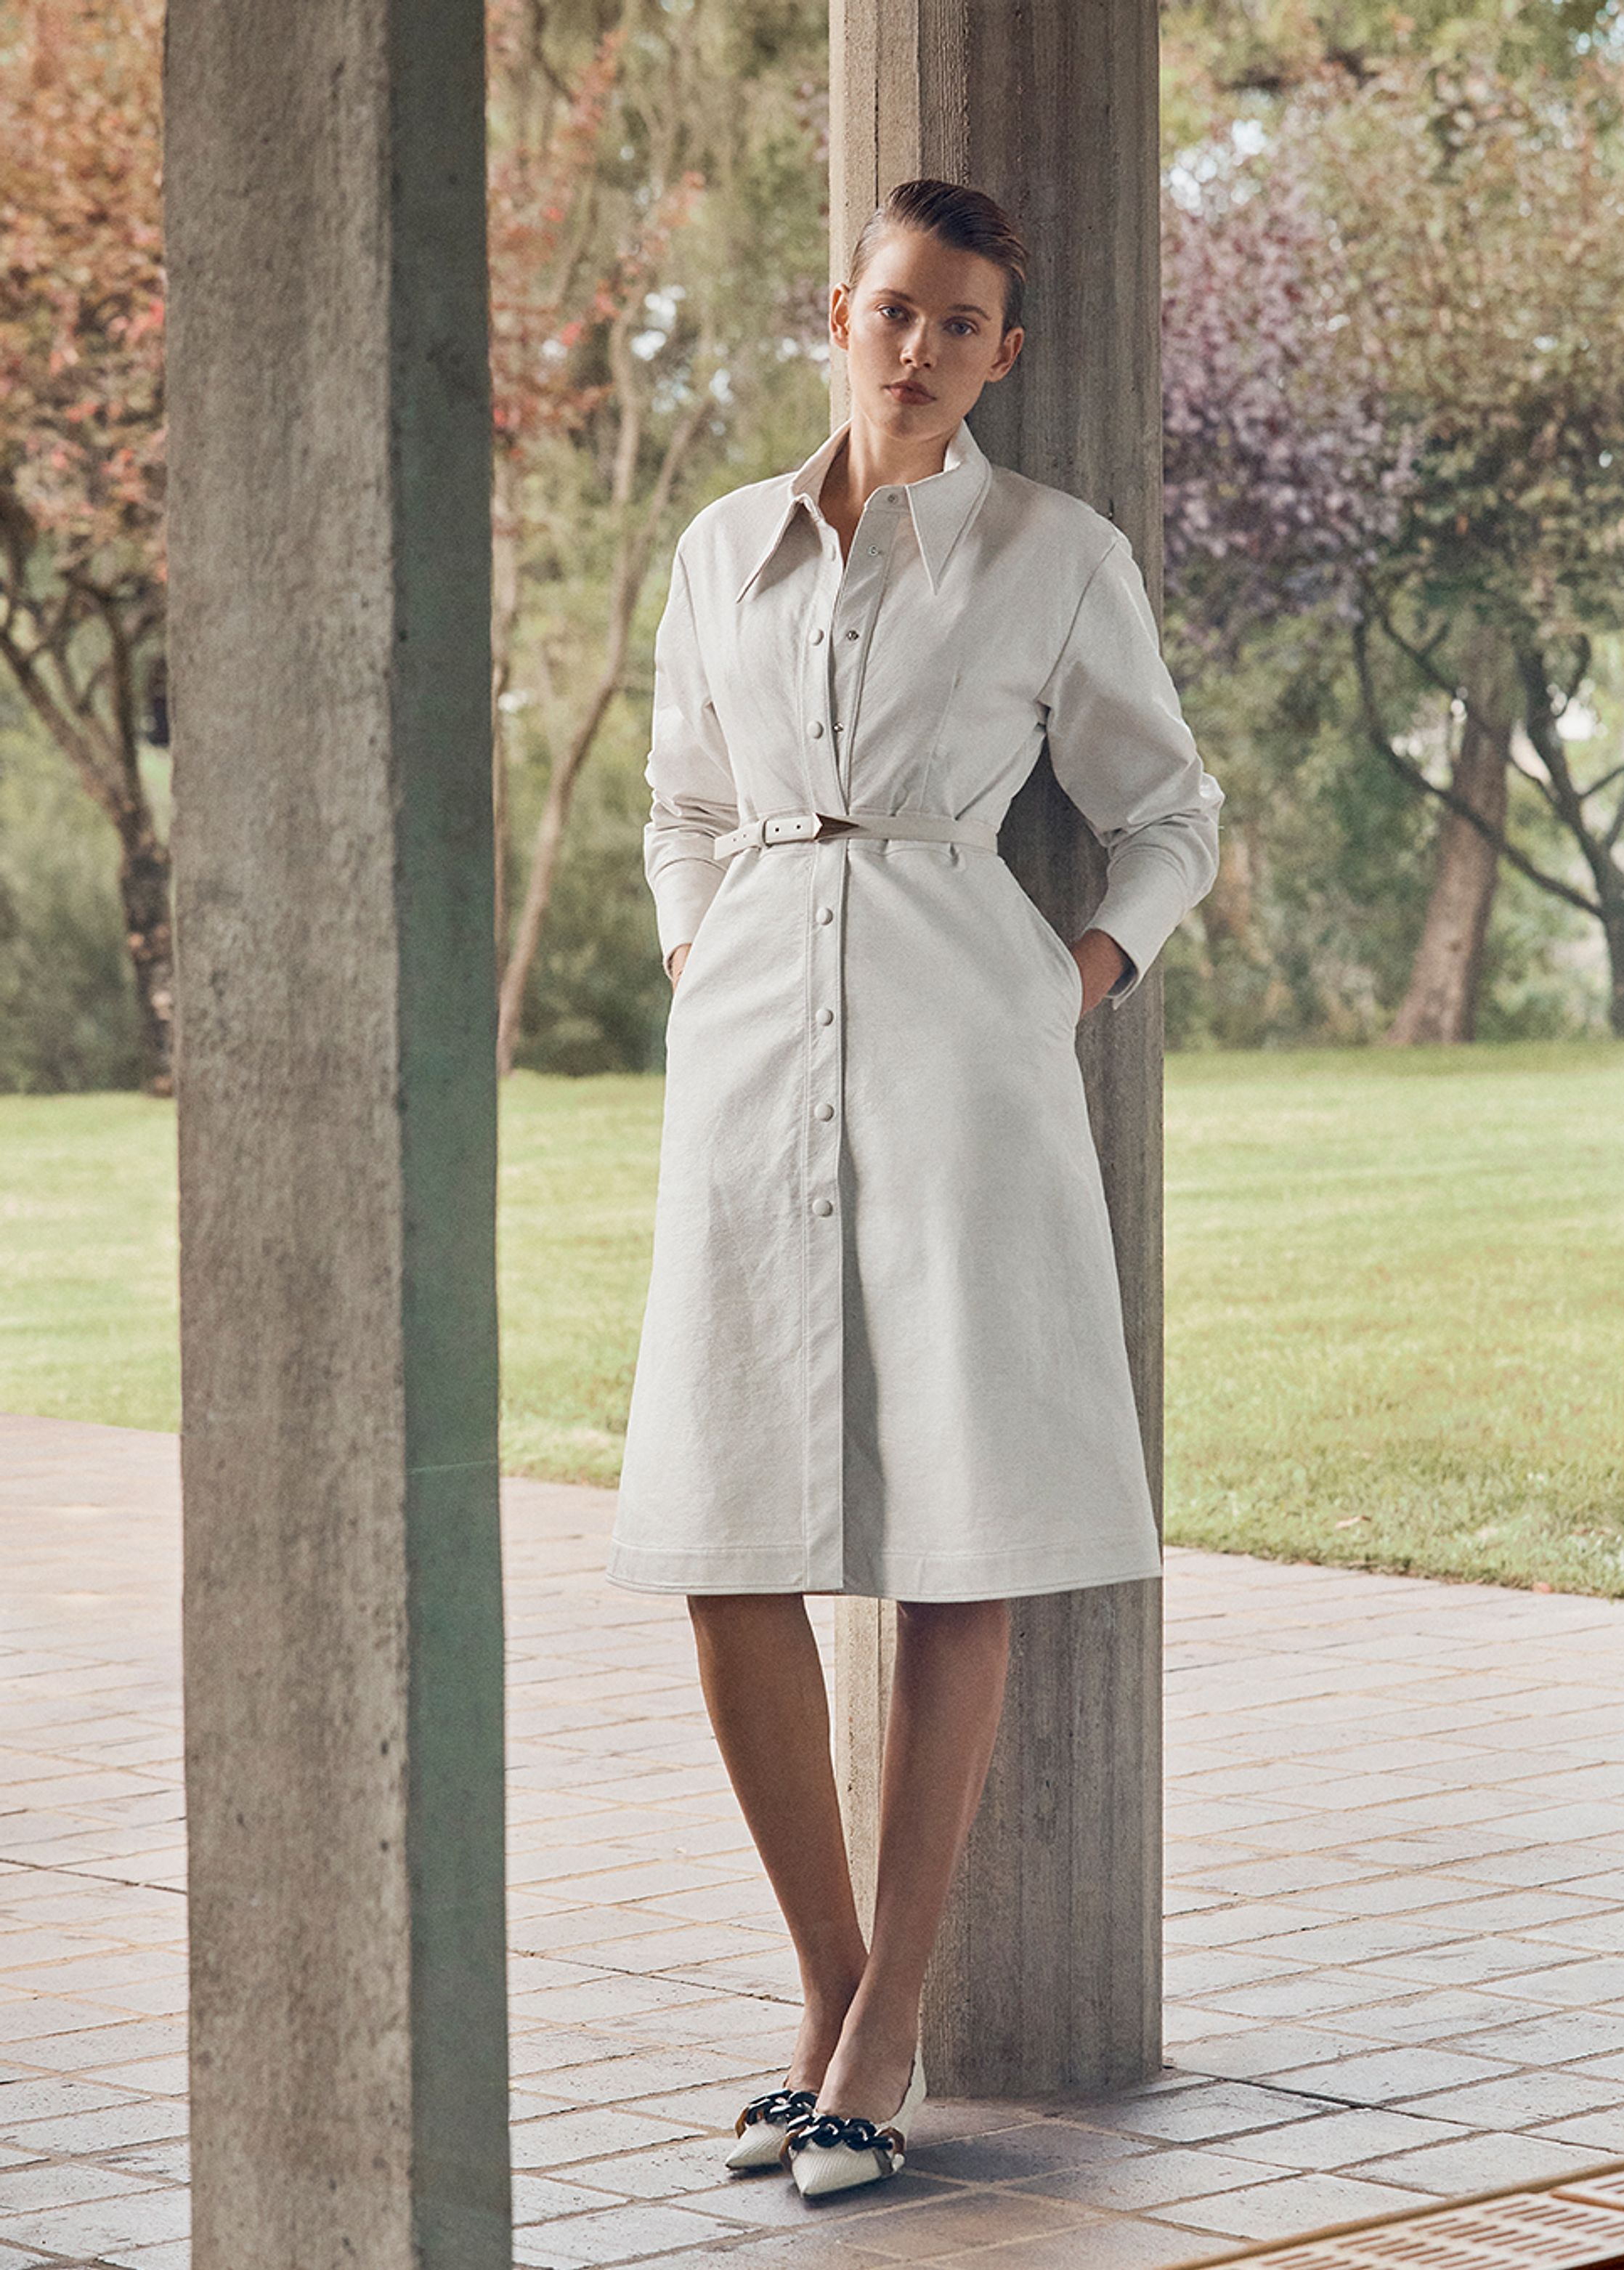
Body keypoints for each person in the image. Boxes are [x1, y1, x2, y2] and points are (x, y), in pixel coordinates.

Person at [604, 177, 1223, 2200]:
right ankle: (830, 1982)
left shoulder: (1056, 553)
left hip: (970, 1038)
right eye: (893, 309)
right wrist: (702, 945)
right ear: (837, 312)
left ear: (1001, 351)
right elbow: (681, 794)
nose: (918, 347)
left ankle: (883, 2026)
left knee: (962, 1530)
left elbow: (1162, 808)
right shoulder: (723, 547)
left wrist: (1077, 972)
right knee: (727, 1532)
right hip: (753, 1025)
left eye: (961, 324)